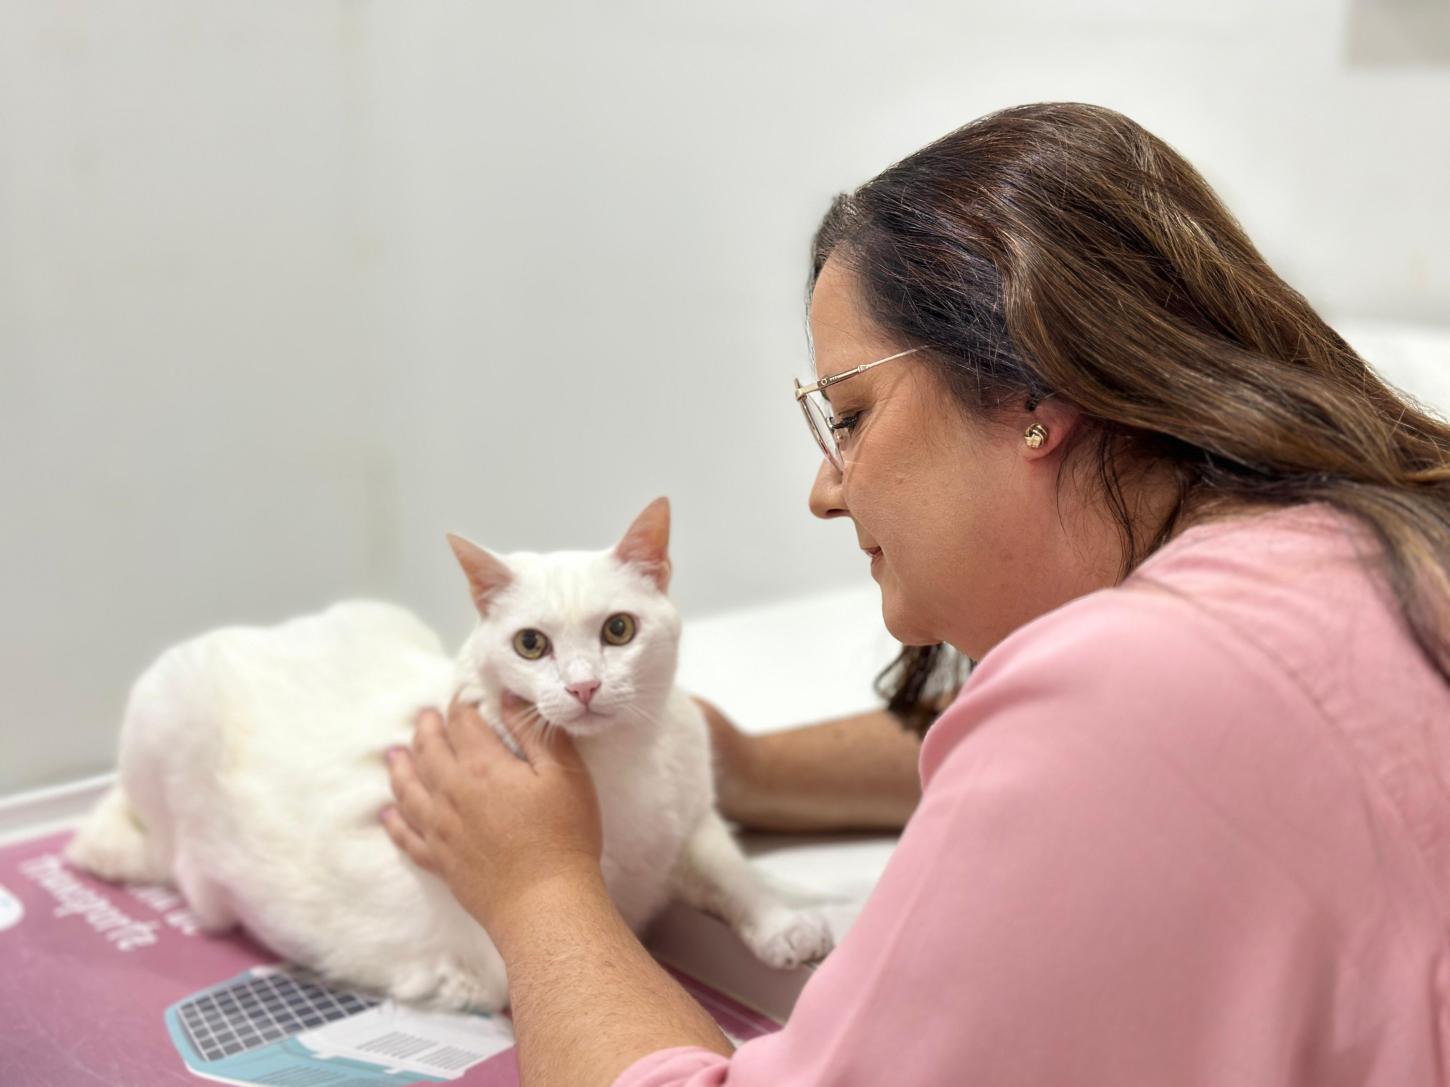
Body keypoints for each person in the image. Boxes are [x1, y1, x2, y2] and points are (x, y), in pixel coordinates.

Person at [379, 102, 1450, 1086]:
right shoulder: (1364, 546)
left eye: (848, 417)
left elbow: (1105, 740)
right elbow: (1159, 754)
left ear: (1032, 394)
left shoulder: (1136, 688)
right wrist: (745, 768)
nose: (825, 489)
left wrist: (539, 887)